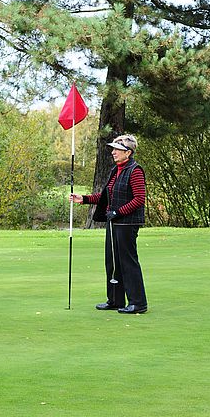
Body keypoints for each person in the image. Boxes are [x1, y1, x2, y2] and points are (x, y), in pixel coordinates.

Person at [70, 134, 148, 314]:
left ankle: (138, 303)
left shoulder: (135, 170)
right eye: (113, 149)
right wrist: (85, 199)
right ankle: (115, 300)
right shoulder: (116, 170)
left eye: (117, 150)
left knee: (127, 262)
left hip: (127, 223)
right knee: (112, 262)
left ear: (127, 152)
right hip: (114, 222)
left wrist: (117, 212)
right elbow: (106, 196)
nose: (113, 152)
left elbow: (139, 199)